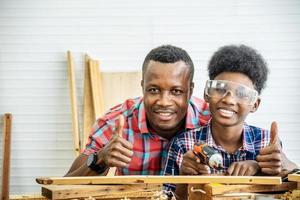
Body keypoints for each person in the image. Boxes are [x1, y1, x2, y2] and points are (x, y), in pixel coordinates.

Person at [163, 44, 298, 199]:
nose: (228, 99)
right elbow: (168, 196)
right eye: (220, 88)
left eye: (241, 93)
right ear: (207, 93)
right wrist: (184, 178)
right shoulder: (183, 144)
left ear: (255, 104)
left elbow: (288, 189)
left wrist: (269, 166)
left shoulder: (267, 142)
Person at [65, 44, 211, 176]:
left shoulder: (210, 122)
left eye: (176, 91)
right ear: (142, 86)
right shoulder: (114, 123)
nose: (164, 102)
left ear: (190, 90)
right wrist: (100, 159)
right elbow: (63, 187)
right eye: (154, 90)